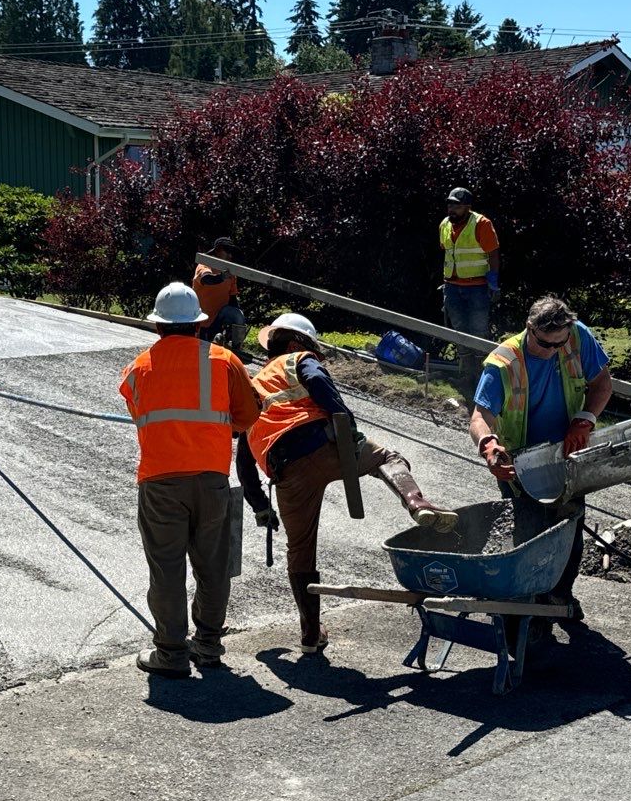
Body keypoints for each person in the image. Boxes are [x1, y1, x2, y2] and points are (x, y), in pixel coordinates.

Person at [236, 313, 458, 653]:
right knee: (386, 457)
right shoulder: (298, 359)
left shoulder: (252, 388)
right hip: (324, 444)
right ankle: (417, 503)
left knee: (299, 552)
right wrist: (348, 426)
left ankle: (310, 634)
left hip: (286, 471)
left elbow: (243, 461)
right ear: (296, 344)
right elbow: (318, 381)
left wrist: (261, 507)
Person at [118, 282, 263, 678]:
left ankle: (171, 654)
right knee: (213, 567)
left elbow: (138, 412)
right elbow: (248, 416)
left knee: (166, 570)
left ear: (158, 326)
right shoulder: (225, 360)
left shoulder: (137, 369)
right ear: (199, 324)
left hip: (160, 480)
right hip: (212, 478)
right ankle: (208, 645)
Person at [467, 295, 614, 639]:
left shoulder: (577, 337)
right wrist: (489, 445)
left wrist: (585, 419)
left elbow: (602, 384)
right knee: (528, 535)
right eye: (545, 344)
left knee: (569, 530)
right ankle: (528, 609)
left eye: (559, 344)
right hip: (520, 465)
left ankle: (559, 597)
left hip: (566, 456)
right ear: (529, 328)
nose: (552, 351)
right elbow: (480, 416)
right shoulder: (503, 362)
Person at [438, 188, 501, 392]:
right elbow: (449, 253)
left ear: (467, 207)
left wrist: (493, 281)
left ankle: (483, 379)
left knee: (478, 330)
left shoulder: (482, 224)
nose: (451, 209)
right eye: (450, 204)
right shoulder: (445, 225)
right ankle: (467, 376)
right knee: (459, 331)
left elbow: (493, 254)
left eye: (456, 205)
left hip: (477, 288)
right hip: (452, 287)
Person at [193, 236, 247, 349]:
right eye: (227, 251)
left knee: (237, 314)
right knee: (202, 350)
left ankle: (236, 347)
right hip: (199, 320)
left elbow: (232, 299)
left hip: (217, 320)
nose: (230, 255)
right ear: (218, 250)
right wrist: (222, 277)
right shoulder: (205, 264)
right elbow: (207, 279)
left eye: (231, 252)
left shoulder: (231, 273)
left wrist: (238, 323)